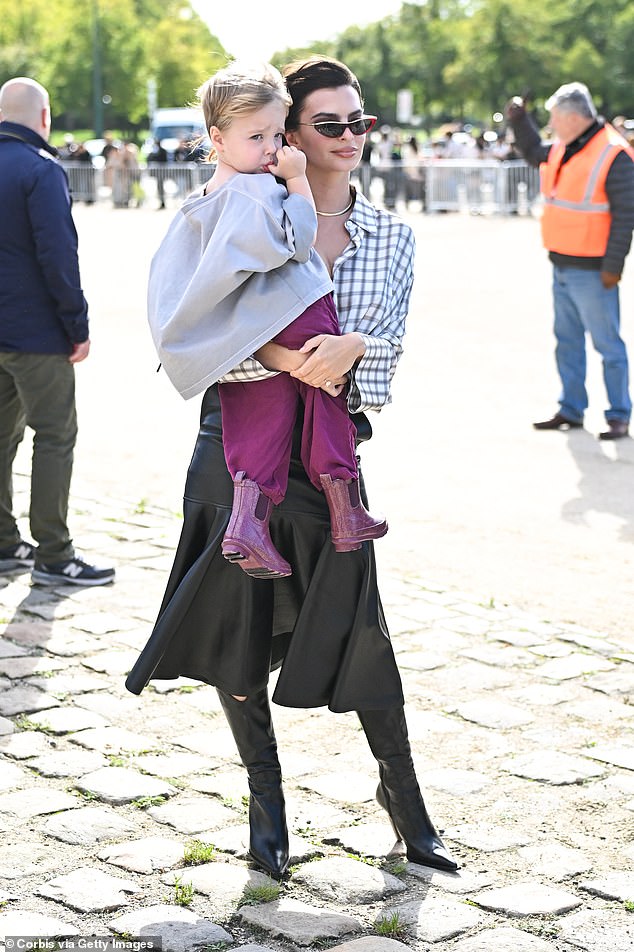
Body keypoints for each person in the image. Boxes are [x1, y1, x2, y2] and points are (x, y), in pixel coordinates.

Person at [126, 56, 457, 880]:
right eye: (330, 125)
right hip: (233, 453)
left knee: (359, 623)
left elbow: (378, 371)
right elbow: (196, 341)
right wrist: (280, 350)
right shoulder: (228, 212)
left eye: (361, 123)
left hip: (333, 455)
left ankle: (404, 799)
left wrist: (355, 349)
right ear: (284, 140)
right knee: (233, 627)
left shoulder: (390, 237)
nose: (350, 138)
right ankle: (266, 806)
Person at [148, 62, 387, 579]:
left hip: (251, 332)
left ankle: (249, 524)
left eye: (276, 135)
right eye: (258, 136)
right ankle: (345, 506)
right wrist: (297, 180)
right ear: (218, 137)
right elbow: (298, 239)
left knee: (253, 418)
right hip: (297, 307)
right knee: (327, 391)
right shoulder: (259, 191)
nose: (271, 149)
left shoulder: (204, 201)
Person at [0, 77, 115, 586]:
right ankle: (54, 553)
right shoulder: (40, 170)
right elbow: (57, 255)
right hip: (36, 333)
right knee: (54, 437)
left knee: (1, 440)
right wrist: (77, 325)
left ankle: (3, 544)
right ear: (44, 118)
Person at [506, 82, 634, 440]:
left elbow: (626, 215)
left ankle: (618, 414)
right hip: (563, 265)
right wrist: (519, 119)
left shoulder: (613, 153)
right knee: (567, 342)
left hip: (594, 271)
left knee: (608, 346)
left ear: (574, 117)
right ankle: (572, 408)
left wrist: (613, 267)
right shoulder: (567, 146)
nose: (550, 124)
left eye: (553, 118)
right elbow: (533, 151)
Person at [147, 137, 168, 209]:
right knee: (157, 188)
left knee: (161, 188)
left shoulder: (162, 151)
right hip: (156, 173)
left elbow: (163, 160)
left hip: (161, 172)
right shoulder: (153, 151)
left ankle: (162, 202)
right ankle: (160, 201)